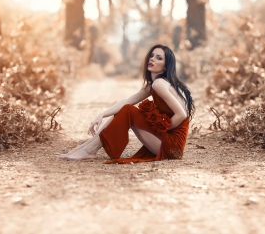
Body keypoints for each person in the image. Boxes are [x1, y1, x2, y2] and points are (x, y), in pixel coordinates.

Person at [58, 44, 195, 164]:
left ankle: (89, 150)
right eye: (152, 56)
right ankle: (84, 148)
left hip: (172, 147)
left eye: (159, 58)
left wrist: (162, 127)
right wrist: (102, 115)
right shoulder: (152, 86)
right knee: (123, 109)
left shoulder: (160, 84)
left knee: (128, 110)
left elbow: (181, 114)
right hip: (165, 142)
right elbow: (127, 100)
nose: (152, 59)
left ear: (165, 67)